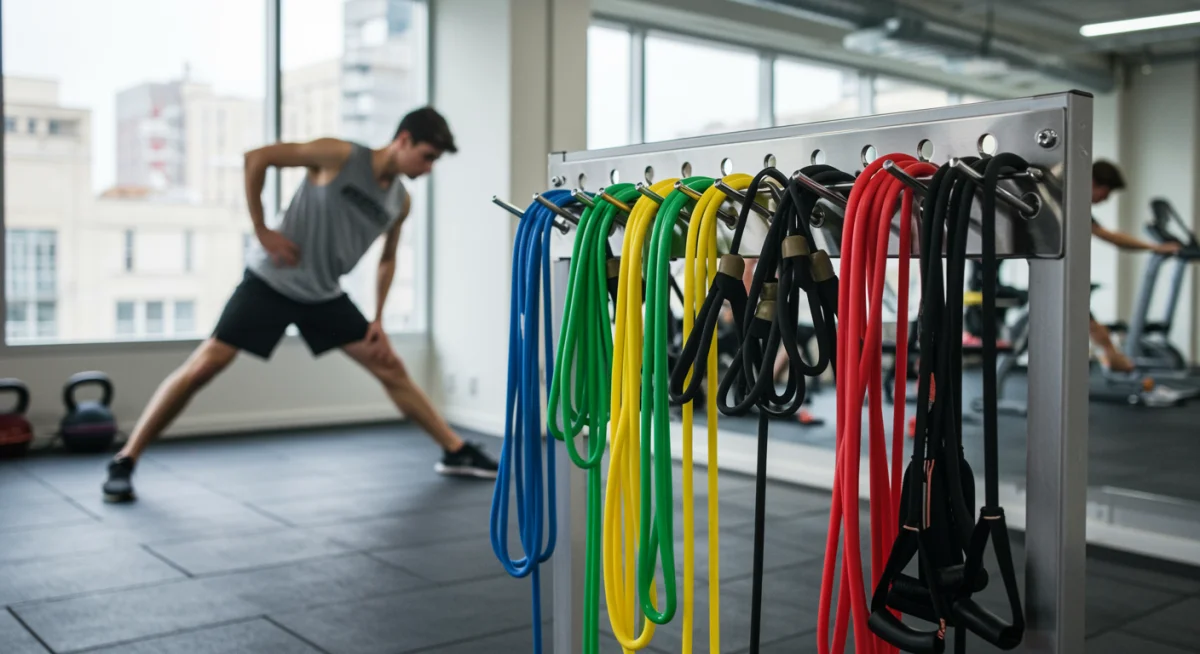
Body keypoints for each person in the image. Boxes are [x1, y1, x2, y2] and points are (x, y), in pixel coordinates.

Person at [102, 107, 498, 503]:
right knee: (206, 364)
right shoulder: (340, 155)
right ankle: (126, 459)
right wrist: (262, 231)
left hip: (323, 294)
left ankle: (454, 450)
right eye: (427, 156)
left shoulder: (400, 202)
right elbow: (257, 158)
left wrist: (378, 317)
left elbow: (388, 258)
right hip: (272, 281)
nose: (428, 168)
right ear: (404, 139)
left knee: (389, 366)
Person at [1089, 160, 1182, 372]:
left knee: (1090, 324)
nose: (1105, 199)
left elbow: (1108, 235)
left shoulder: (1074, 207)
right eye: (1106, 192)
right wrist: (1154, 247)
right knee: (1089, 324)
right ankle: (1116, 362)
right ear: (1093, 182)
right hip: (1046, 275)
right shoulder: (1066, 201)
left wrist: (1152, 247)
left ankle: (1115, 361)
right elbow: (1111, 238)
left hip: (1063, 275)